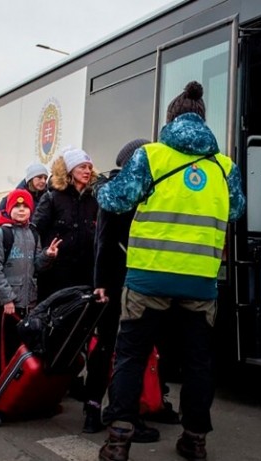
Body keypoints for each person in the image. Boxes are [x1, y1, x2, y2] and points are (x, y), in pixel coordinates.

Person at [97, 81, 246, 461]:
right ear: (203, 120)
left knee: (131, 356)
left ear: (171, 119)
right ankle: (195, 439)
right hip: (200, 282)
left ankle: (118, 440)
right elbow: (235, 211)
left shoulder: (151, 156)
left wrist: (104, 184)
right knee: (199, 362)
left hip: (148, 278)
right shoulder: (224, 166)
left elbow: (115, 200)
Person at [84, 138, 177, 442]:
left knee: (142, 346)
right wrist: (101, 284)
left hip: (139, 279)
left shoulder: (142, 187)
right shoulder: (117, 190)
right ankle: (96, 408)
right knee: (114, 346)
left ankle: (144, 404)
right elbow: (104, 241)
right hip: (117, 281)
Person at [0, 188, 59, 387]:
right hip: (5, 306)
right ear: (9, 209)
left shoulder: (33, 233)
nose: (22, 210)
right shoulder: (0, 234)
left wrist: (47, 256)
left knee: (19, 348)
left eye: (25, 206)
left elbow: (36, 265)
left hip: (27, 304)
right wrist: (7, 298)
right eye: (17, 206)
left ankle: (16, 388)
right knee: (1, 350)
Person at [31, 147, 99, 300]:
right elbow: (34, 233)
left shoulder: (93, 200)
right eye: (82, 167)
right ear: (69, 170)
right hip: (55, 275)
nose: (87, 171)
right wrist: (45, 255)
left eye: (89, 167)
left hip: (85, 274)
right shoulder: (52, 197)